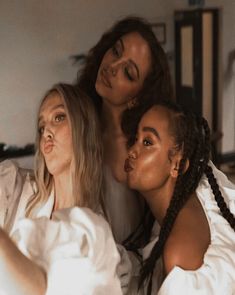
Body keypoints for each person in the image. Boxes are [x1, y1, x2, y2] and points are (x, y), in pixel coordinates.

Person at [0, 83, 122, 295]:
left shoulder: (96, 235)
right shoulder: (14, 187)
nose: (46, 131)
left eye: (58, 118)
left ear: (83, 127)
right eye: (41, 126)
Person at [77, 16, 173, 243]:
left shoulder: (139, 151)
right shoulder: (76, 124)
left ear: (137, 97)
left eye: (128, 73)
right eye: (116, 52)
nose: (112, 67)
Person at [124, 100, 235, 294]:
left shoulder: (179, 253)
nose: (132, 151)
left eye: (148, 142)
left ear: (178, 166)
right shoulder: (189, 188)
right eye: (135, 138)